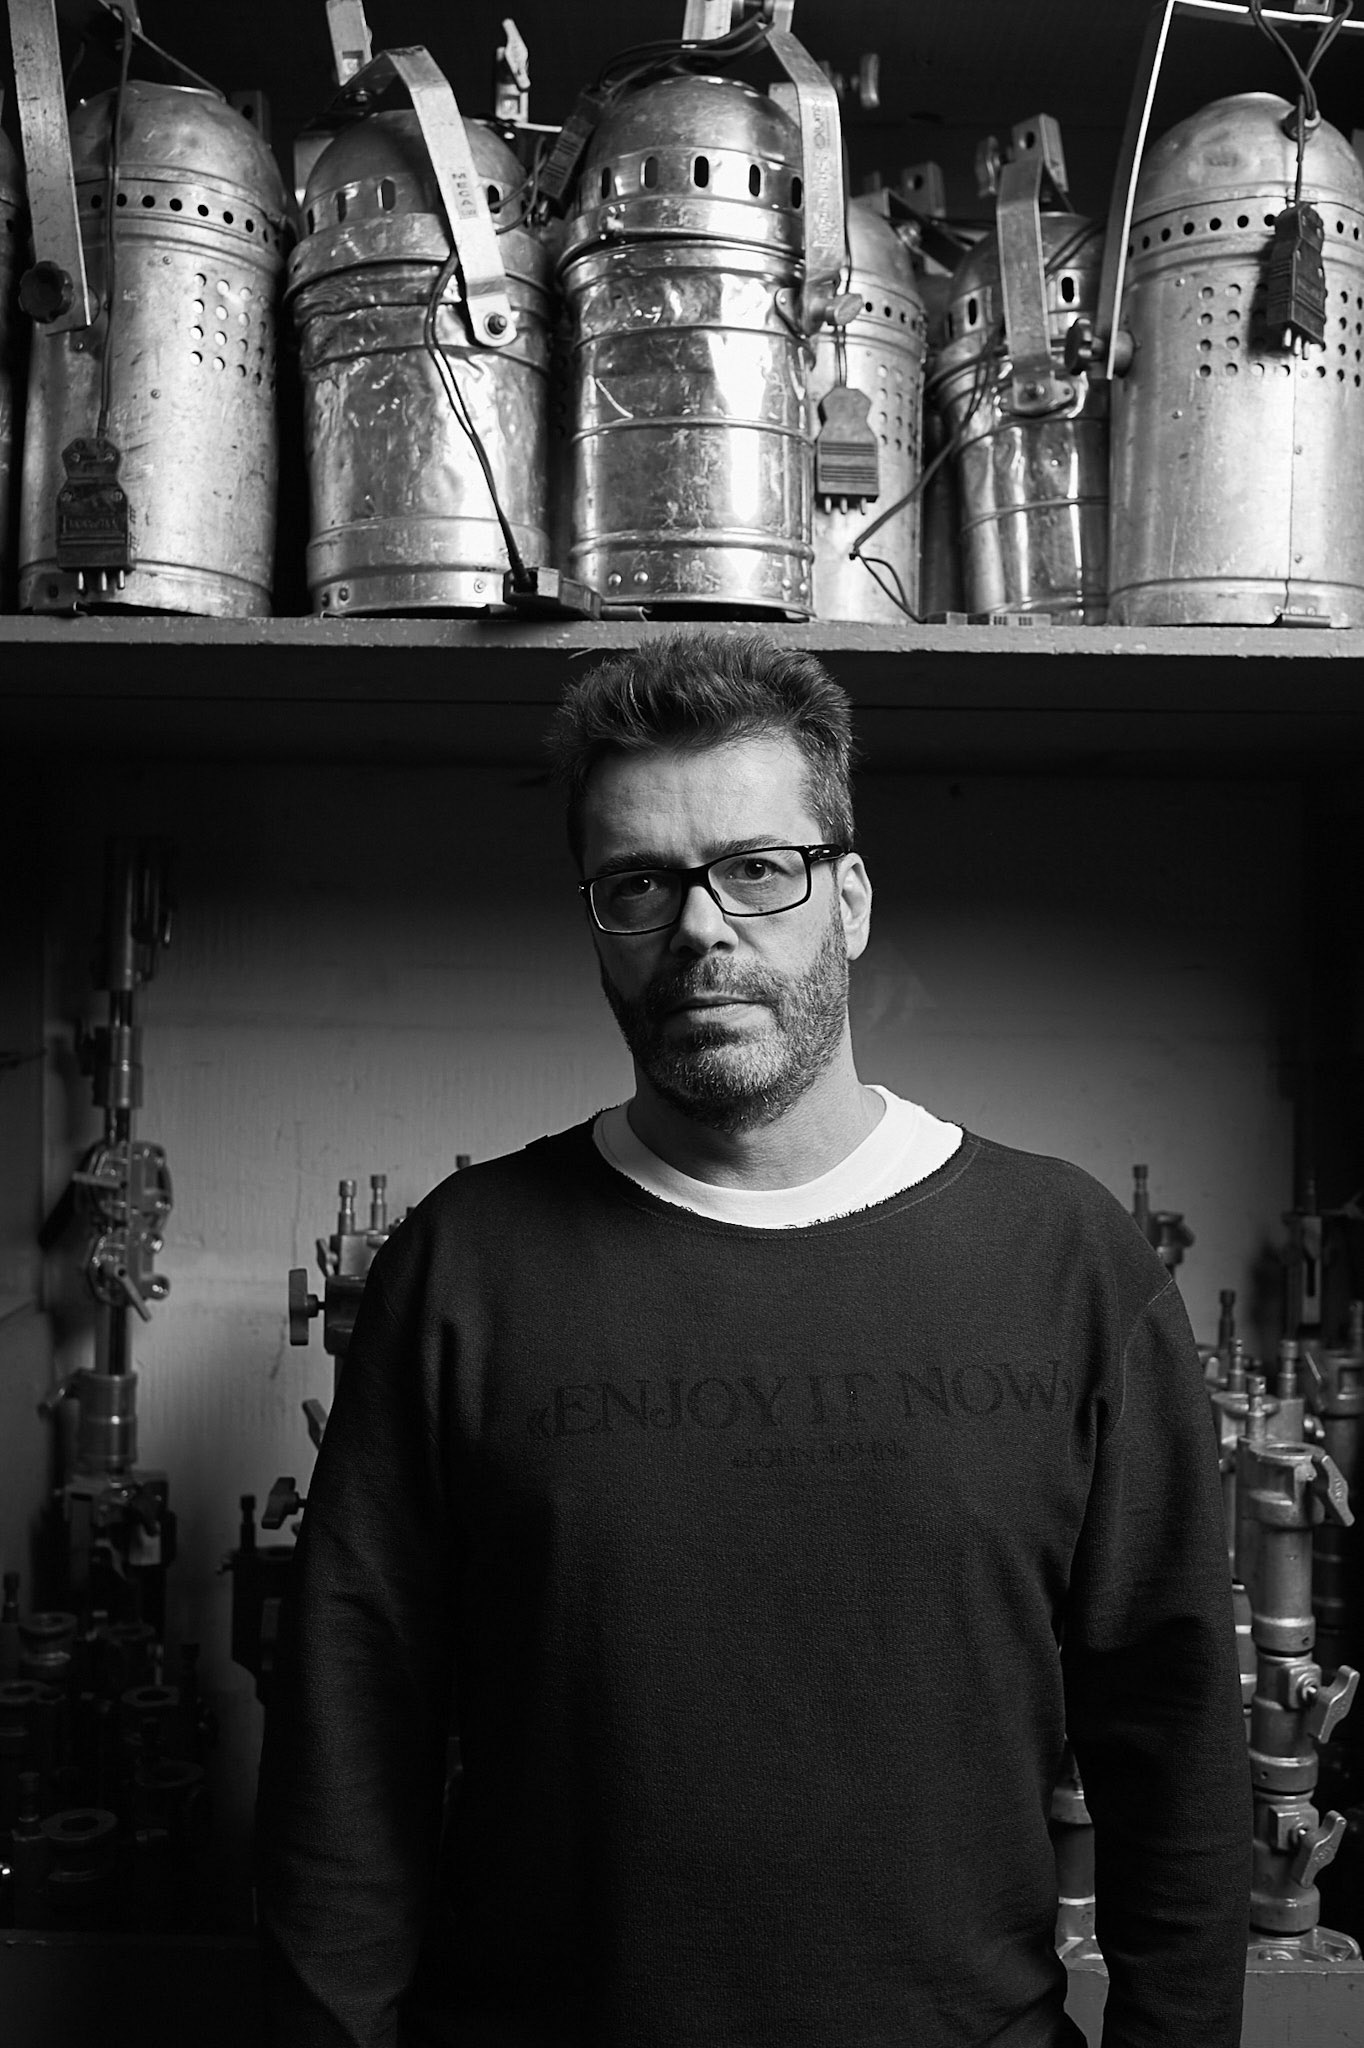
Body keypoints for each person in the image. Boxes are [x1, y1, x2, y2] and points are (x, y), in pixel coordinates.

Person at [256, 630, 1251, 2048]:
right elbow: (347, 1751)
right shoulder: (463, 1267)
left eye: (758, 869)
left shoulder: (1069, 1262)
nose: (701, 929)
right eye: (638, 884)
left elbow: (1175, 1741)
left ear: (850, 897)